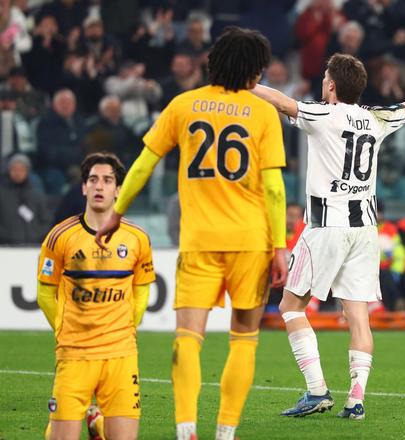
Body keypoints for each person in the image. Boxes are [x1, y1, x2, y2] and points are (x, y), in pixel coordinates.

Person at [94, 27, 287, 440]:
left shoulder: (183, 105)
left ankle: (186, 431)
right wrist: (280, 246)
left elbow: (144, 164)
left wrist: (116, 212)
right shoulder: (263, 113)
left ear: (212, 62)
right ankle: (226, 433)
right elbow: (273, 187)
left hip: (199, 242)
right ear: (254, 72)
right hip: (251, 242)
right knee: (244, 339)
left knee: (187, 338)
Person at [252, 53, 405, 419]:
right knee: (359, 317)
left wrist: (246, 84)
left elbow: (283, 102)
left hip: (326, 227)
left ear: (331, 85)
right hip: (364, 231)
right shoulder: (375, 118)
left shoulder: (322, 114)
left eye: (324, 80)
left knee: (290, 306)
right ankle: (356, 399)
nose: (322, 84)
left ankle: (317, 390)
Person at [37, 152, 154, 440]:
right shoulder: (60, 236)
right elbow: (45, 292)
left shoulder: (137, 238)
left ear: (118, 190)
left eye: (107, 180)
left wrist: (130, 326)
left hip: (121, 354)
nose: (99, 186)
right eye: (93, 180)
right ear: (84, 187)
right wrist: (63, 329)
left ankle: (97, 425)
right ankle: (88, 424)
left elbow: (141, 288)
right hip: (75, 354)